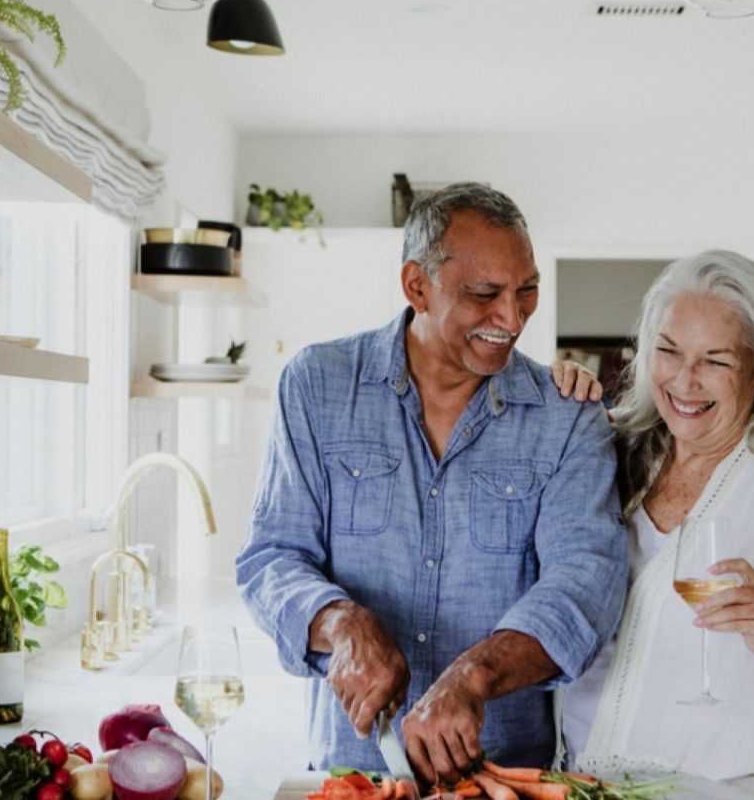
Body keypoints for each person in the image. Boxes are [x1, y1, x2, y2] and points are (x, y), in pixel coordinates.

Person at [236, 183, 629, 786]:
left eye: (527, 291)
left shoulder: (567, 415)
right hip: (353, 774)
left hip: (502, 777)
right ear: (416, 286)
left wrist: (474, 675)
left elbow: (585, 586)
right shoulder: (317, 386)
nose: (512, 318)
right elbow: (271, 558)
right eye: (484, 294)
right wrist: (339, 622)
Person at [558, 249, 754, 781]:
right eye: (669, 351)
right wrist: (553, 397)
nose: (685, 380)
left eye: (716, 361)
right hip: (577, 781)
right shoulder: (615, 450)